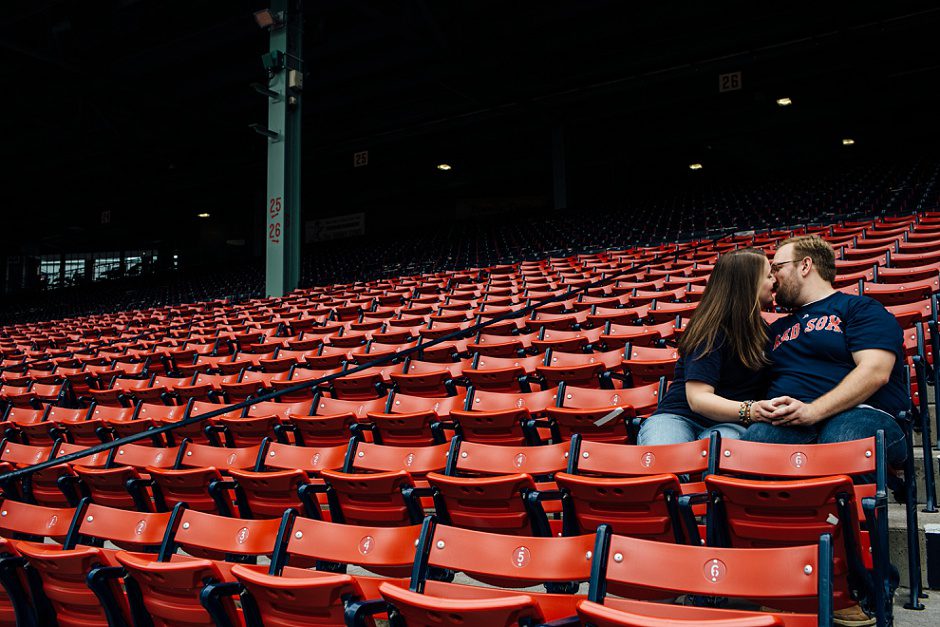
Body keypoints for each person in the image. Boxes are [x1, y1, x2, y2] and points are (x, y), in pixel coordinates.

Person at [744, 234, 908, 466]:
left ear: (805, 265)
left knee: (842, 441)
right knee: (754, 442)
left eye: (777, 267)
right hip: (790, 421)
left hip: (862, 413)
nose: (772, 278)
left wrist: (813, 411)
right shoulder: (775, 329)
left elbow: (875, 371)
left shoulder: (859, 309)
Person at [637, 248, 775, 446]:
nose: (774, 282)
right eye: (768, 276)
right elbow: (698, 399)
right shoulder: (712, 329)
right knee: (667, 460)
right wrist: (750, 410)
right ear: (748, 283)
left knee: (718, 453)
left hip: (730, 423)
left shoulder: (766, 332)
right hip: (679, 417)